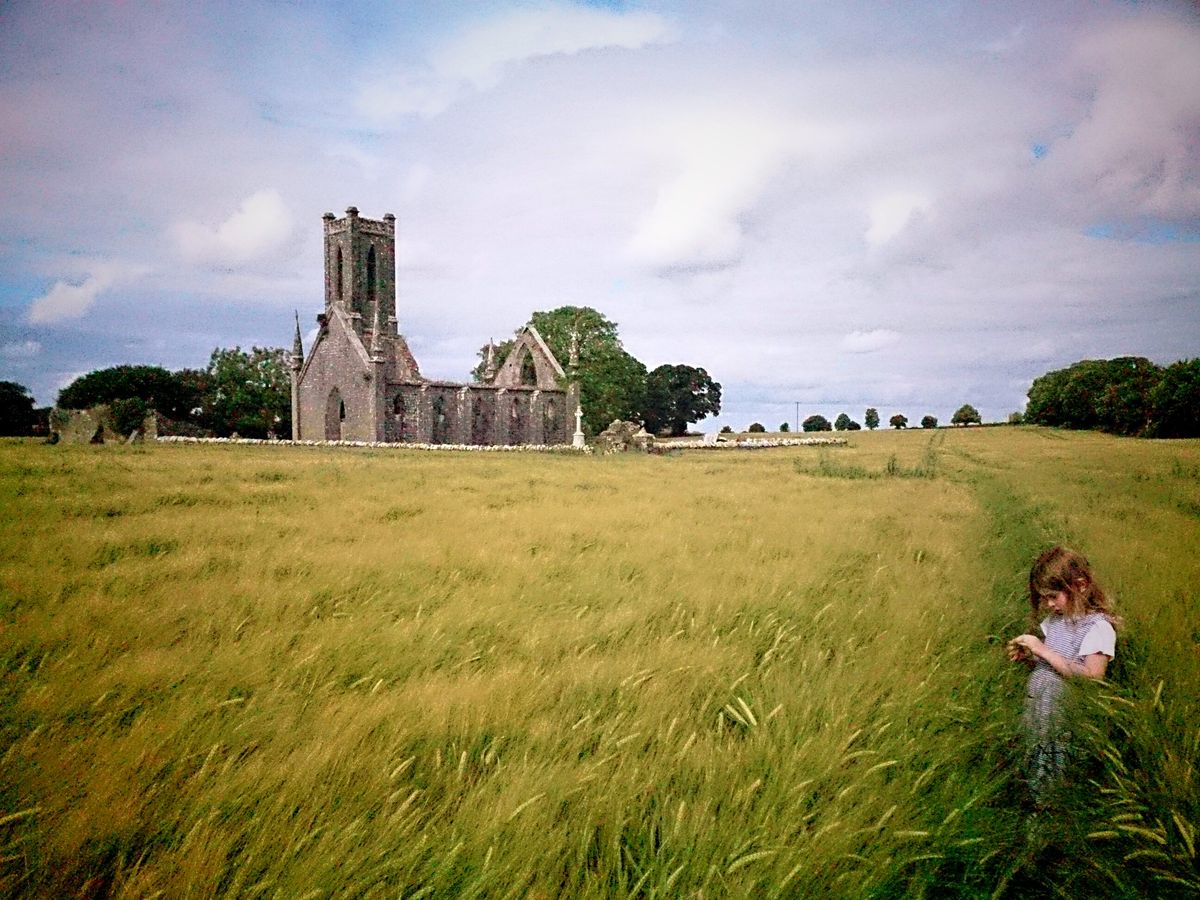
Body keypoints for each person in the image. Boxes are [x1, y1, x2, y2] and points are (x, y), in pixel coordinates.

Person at [1007, 546, 1121, 799]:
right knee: (1036, 753)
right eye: (1043, 598)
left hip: (1067, 716)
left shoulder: (1098, 627)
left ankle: (1049, 808)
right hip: (1041, 709)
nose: (1048, 604)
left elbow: (1092, 677)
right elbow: (1054, 666)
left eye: (1053, 596)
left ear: (1080, 586)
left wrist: (1043, 650)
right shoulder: (1057, 622)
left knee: (1056, 765)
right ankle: (1034, 798)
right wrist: (1032, 658)